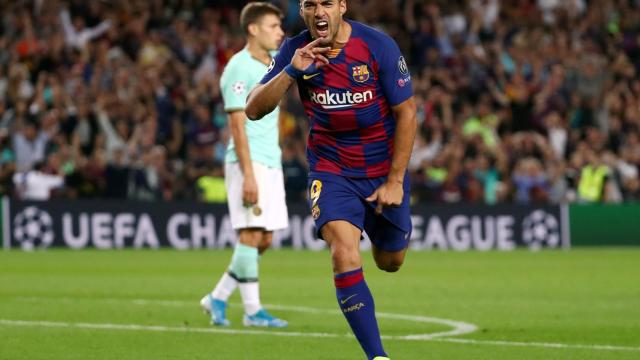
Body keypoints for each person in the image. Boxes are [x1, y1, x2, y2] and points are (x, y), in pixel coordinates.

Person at [246, 0, 417, 358]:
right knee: (343, 253)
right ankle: (377, 356)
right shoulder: (294, 49)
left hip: (382, 170)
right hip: (332, 169)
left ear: (342, 6)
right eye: (310, 4)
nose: (318, 11)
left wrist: (396, 180)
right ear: (303, 11)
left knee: (390, 261)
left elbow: (407, 113)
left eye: (326, 2)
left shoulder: (378, 46)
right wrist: (291, 72)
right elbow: (253, 107)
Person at [199, 2, 288, 328]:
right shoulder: (239, 67)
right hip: (248, 162)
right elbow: (237, 123)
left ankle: (218, 297)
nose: (279, 32)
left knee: (264, 239)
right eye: (272, 26)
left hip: (270, 159)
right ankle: (252, 312)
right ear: (253, 29)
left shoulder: (273, 65)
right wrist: (249, 174)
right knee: (251, 235)